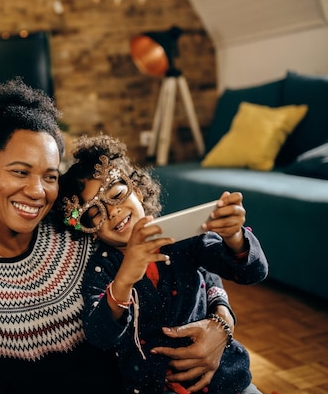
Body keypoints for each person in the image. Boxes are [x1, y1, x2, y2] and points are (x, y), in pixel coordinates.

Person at [0, 78, 239, 394]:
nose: (36, 191)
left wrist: (221, 325)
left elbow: (179, 256)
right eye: (20, 171)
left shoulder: (80, 229)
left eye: (50, 176)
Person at [57, 134, 268, 394]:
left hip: (226, 377)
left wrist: (234, 237)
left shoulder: (183, 235)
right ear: (89, 230)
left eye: (117, 194)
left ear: (136, 189)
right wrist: (123, 280)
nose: (112, 211)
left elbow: (251, 273)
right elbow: (100, 336)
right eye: (95, 213)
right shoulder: (101, 270)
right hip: (155, 386)